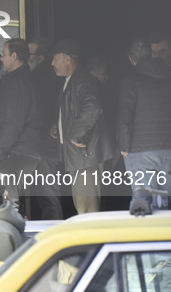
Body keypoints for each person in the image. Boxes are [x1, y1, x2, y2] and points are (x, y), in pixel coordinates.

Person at [0, 39, 41, 216]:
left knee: (7, 206)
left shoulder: (17, 84)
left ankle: (12, 241)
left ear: (14, 56)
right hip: (13, 152)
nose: (1, 59)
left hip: (15, 154)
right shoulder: (16, 81)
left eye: (4, 54)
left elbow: (12, 123)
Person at [51, 40, 113, 214]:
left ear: (67, 59)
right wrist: (59, 126)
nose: (52, 63)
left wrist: (75, 134)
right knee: (84, 206)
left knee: (87, 209)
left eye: (55, 59)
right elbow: (75, 109)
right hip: (81, 156)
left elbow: (92, 106)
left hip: (85, 155)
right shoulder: (72, 80)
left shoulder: (82, 80)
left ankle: (91, 241)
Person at [118, 39, 171, 196]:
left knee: (145, 204)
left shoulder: (131, 81)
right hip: (167, 150)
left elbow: (125, 118)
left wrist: (124, 148)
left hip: (139, 151)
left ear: (131, 59)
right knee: (164, 203)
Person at [28, 38, 64, 220]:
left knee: (49, 198)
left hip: (45, 147)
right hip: (45, 146)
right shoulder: (46, 78)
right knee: (47, 197)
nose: (25, 58)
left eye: (29, 54)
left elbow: (44, 112)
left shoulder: (43, 80)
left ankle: (54, 237)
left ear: (40, 58)